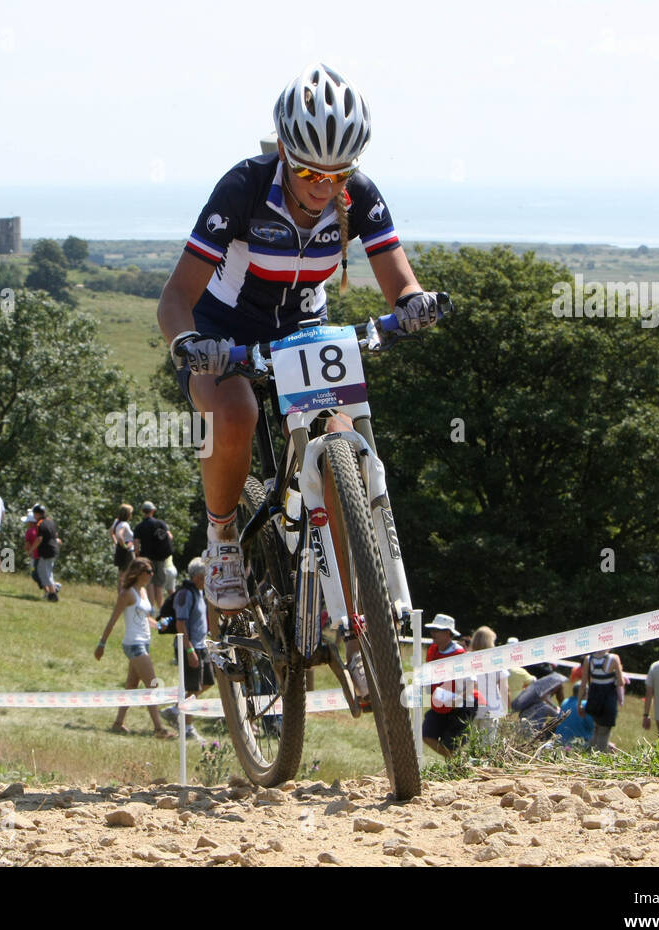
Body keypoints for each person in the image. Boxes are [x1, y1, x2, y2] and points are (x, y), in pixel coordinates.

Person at [158, 62, 448, 612]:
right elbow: (174, 297)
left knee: (341, 430)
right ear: (286, 157)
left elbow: (400, 280)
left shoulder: (356, 193)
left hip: (303, 326)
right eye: (312, 174)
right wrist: (187, 344)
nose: (326, 188)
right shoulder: (243, 188)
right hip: (222, 328)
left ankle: (355, 600)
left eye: (338, 176)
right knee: (235, 412)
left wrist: (413, 305)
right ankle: (222, 537)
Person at [93, 558, 174, 738]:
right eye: (148, 571)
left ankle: (118, 723)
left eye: (152, 571)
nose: (152, 574)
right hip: (134, 644)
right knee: (152, 685)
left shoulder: (143, 592)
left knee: (131, 686)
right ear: (138, 573)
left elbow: (144, 617)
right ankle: (159, 729)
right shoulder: (127, 594)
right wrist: (101, 644)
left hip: (144, 642)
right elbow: (113, 619)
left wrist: (158, 625)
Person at [161, 558, 213, 738]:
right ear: (198, 577)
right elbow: (181, 624)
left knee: (207, 681)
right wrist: (189, 650)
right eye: (207, 576)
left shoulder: (199, 593)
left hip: (201, 645)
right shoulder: (186, 594)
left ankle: (175, 710)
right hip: (189, 647)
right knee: (192, 686)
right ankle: (188, 728)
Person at [421, 614, 477, 757]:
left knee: (451, 743)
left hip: (462, 704)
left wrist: (457, 699)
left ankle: (457, 762)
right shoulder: (433, 650)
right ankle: (456, 761)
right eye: (432, 630)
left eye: (437, 630)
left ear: (447, 633)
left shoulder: (460, 655)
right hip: (440, 704)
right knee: (427, 734)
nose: (433, 633)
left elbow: (472, 684)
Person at [578, 647, 626, 751]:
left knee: (596, 730)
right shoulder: (614, 658)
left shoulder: (588, 659)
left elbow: (583, 684)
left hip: (594, 699)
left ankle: (588, 755)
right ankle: (597, 758)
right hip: (608, 700)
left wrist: (579, 703)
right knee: (604, 733)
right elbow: (621, 682)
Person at [469, 626, 508, 743]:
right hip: (491, 706)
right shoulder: (496, 660)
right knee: (487, 744)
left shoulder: (467, 659)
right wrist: (505, 708)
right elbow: (504, 687)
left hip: (472, 706)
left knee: (473, 742)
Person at [132, 501, 173, 610]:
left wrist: (137, 556)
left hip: (146, 558)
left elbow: (136, 543)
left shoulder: (139, 526)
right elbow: (170, 537)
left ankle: (150, 607)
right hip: (160, 558)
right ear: (153, 511)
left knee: (149, 581)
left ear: (142, 511)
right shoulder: (160, 523)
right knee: (159, 584)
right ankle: (161, 608)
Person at [511, 672, 567, 739]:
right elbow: (559, 717)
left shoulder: (529, 705)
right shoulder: (544, 707)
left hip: (521, 731)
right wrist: (557, 709)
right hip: (531, 734)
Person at [554, 666, 596, 747]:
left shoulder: (565, 702)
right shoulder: (585, 704)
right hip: (576, 744)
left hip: (558, 742)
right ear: (585, 693)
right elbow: (592, 726)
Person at [32, 503, 61, 602]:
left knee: (45, 572)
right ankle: (50, 592)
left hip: (46, 551)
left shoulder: (40, 524)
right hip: (54, 549)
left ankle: (53, 593)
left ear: (37, 514)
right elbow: (56, 534)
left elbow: (39, 538)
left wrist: (31, 549)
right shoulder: (50, 521)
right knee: (45, 571)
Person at [109, 504, 135, 590]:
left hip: (119, 550)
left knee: (121, 574)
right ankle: (124, 594)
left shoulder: (117, 521)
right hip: (128, 552)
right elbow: (120, 535)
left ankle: (121, 594)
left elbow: (111, 531)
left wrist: (116, 542)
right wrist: (125, 545)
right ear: (127, 514)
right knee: (127, 574)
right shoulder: (124, 524)